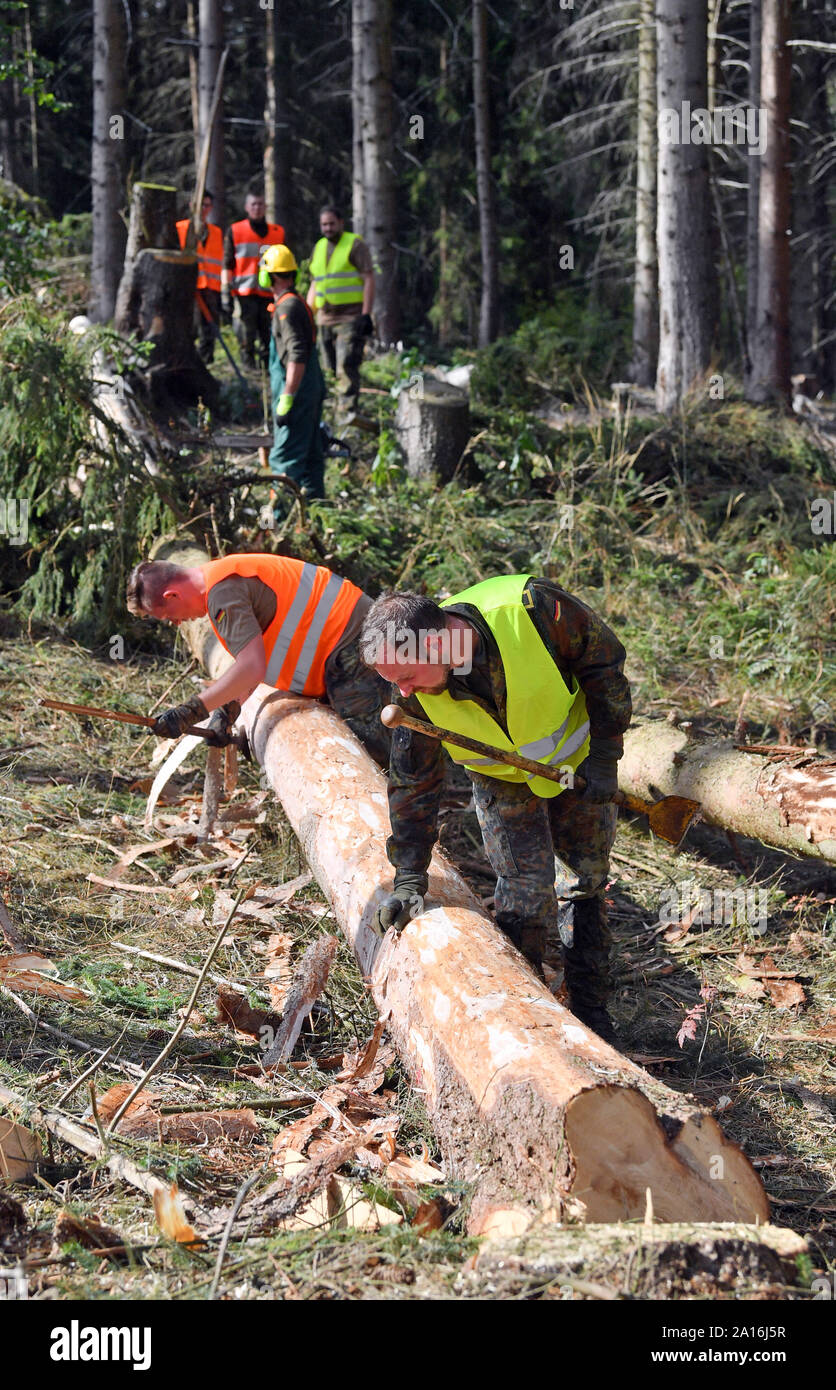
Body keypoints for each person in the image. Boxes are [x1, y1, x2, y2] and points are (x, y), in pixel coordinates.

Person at [358, 575, 632, 1044]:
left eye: (406, 677)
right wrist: (408, 874)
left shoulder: (531, 610)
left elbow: (603, 664)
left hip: (577, 763)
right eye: (393, 682)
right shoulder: (412, 695)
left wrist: (606, 753)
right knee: (522, 892)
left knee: (582, 883)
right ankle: (524, 1015)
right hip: (502, 780)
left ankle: (591, 1008)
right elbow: (412, 781)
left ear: (438, 640)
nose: (402, 692)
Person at [125, 555, 391, 767]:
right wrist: (226, 712)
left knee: (374, 745)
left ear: (172, 596)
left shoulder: (223, 593)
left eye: (167, 616)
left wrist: (191, 712)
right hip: (345, 640)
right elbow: (255, 659)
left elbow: (251, 667)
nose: (176, 623)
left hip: (350, 640)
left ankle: (424, 816)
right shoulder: (220, 582)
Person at [259, 243, 326, 500]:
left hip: (297, 394)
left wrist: (287, 398)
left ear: (270, 276)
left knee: (285, 458)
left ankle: (276, 523)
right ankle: (316, 512)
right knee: (310, 455)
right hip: (308, 390)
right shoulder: (295, 303)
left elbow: (297, 355)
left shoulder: (287, 308)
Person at [306, 206, 375, 423]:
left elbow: (369, 278)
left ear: (341, 223)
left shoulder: (355, 244)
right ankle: (329, 413)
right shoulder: (319, 247)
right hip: (325, 317)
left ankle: (347, 414)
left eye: (331, 224)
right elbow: (316, 283)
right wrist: (308, 314)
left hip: (350, 317)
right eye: (324, 225)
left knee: (346, 365)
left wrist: (366, 314)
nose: (327, 228)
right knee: (326, 368)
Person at [222, 187, 284, 368]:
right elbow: (227, 262)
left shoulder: (277, 232)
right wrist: (226, 291)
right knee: (246, 333)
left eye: (260, 204)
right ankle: (248, 368)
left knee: (268, 333)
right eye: (253, 204)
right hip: (244, 291)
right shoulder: (235, 230)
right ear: (247, 207)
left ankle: (267, 368)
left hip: (269, 292)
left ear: (265, 207)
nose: (257, 208)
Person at [176, 191, 224, 364]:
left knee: (209, 331)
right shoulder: (180, 229)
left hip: (211, 289)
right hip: (188, 288)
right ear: (191, 205)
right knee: (187, 329)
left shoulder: (217, 233)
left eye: (207, 205)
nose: (203, 209)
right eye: (200, 205)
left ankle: (206, 364)